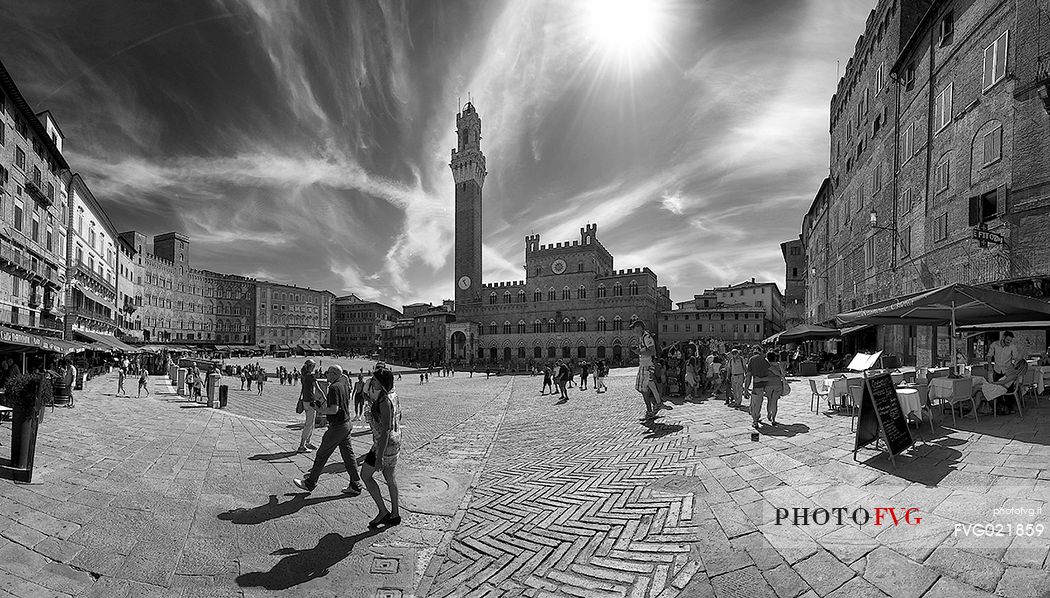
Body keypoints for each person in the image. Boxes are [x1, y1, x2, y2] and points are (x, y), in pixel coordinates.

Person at [293, 365, 363, 495]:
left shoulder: (333, 388)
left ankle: (310, 483)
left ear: (335, 374)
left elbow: (334, 409)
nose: (326, 375)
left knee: (322, 455)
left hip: (337, 427)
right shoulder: (344, 385)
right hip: (346, 424)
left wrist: (319, 410)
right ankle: (356, 484)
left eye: (329, 373)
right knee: (349, 457)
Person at [360, 367, 402, 528]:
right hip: (395, 441)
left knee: (365, 475)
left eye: (376, 380)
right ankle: (395, 514)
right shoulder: (392, 395)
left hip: (383, 445)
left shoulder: (384, 401)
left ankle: (383, 511)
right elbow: (398, 417)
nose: (373, 382)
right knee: (390, 477)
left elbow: (385, 431)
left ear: (382, 382)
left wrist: (379, 458)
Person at [631, 320, 660, 418]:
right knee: (641, 389)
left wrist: (638, 352)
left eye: (634, 327)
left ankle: (650, 410)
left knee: (643, 389)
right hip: (643, 365)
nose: (633, 330)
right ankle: (655, 404)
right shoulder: (641, 337)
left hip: (647, 366)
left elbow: (652, 351)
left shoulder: (646, 337)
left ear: (639, 327)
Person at [297, 360, 319, 453]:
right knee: (309, 424)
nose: (314, 367)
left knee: (311, 423)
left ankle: (307, 442)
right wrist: (325, 397)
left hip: (306, 400)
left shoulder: (303, 376)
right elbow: (317, 388)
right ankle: (302, 445)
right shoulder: (310, 376)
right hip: (310, 401)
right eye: (313, 366)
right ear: (310, 366)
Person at [747, 350, 772, 428]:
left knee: (754, 405)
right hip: (764, 386)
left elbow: (748, 375)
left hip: (756, 385)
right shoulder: (765, 361)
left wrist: (745, 389)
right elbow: (770, 372)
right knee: (758, 403)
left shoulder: (752, 360)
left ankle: (755, 421)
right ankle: (757, 417)